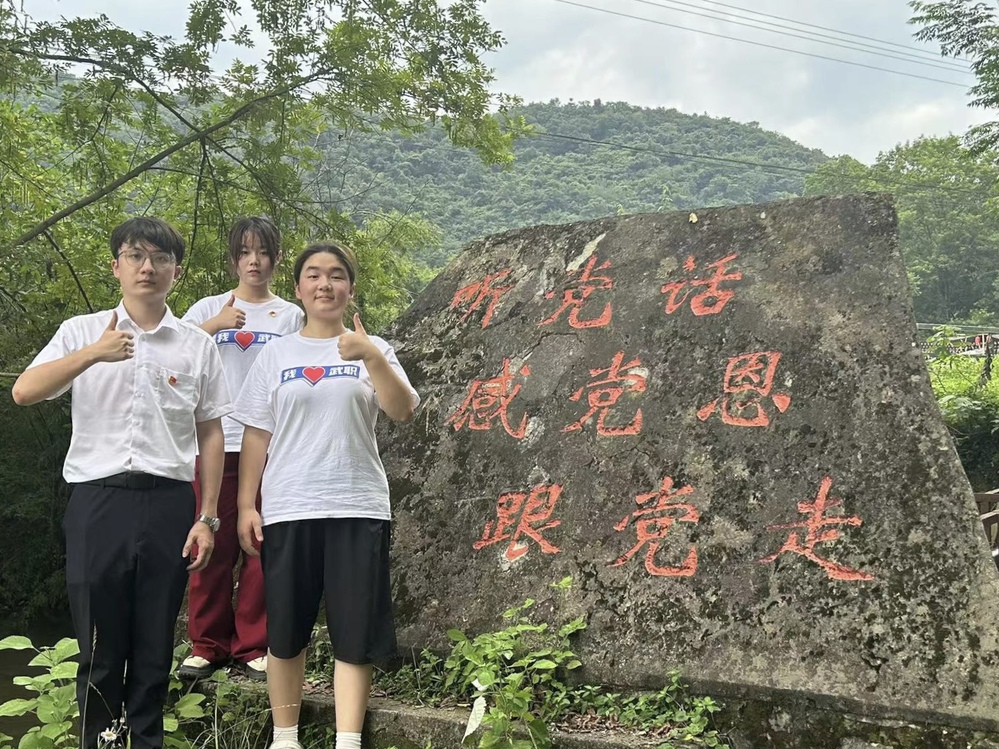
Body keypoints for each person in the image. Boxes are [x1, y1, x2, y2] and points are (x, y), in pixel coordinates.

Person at [11, 217, 230, 749]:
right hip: (98, 501)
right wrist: (92, 354)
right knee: (99, 643)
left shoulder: (196, 346)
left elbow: (211, 432)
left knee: (155, 644)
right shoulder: (81, 331)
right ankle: (99, 742)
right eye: (135, 255)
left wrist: (207, 516)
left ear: (177, 272)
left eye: (160, 258)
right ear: (116, 266)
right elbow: (24, 391)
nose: (147, 267)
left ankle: (146, 742)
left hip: (170, 503)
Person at [232, 243, 419, 749]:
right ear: (298, 288)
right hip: (289, 505)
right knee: (285, 630)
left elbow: (402, 409)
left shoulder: (372, 348)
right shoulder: (277, 354)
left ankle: (348, 741)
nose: (325, 284)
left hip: (357, 505)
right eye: (313, 275)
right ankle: (285, 738)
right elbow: (256, 435)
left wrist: (371, 356)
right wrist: (247, 505)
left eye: (336, 275)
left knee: (354, 633)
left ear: (350, 289)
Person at [178, 217, 304, 682]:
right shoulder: (207, 308)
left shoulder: (289, 315)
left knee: (259, 544)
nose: (255, 261)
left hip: (269, 444)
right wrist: (212, 327)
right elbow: (173, 358)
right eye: (246, 252)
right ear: (233, 259)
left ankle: (252, 644)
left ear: (276, 259)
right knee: (210, 541)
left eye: (263, 252)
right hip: (213, 443)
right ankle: (206, 645)